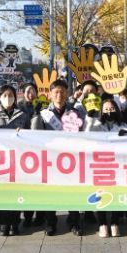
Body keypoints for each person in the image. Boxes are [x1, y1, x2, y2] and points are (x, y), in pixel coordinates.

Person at [31, 79, 83, 236]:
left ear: (67, 93)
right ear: (50, 94)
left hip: (71, 159)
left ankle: (74, 221)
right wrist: (35, 115)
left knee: (72, 190)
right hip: (50, 159)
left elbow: (81, 135)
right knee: (50, 191)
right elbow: (35, 136)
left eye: (62, 92)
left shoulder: (74, 112)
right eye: (56, 92)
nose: (59, 95)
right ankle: (50, 222)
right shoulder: (44, 113)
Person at [0, 84, 31, 236]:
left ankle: (14, 222)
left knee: (15, 191)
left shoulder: (23, 115)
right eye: (4, 96)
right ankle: (3, 223)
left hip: (17, 159)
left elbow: (30, 135)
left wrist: (23, 133)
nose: (8, 98)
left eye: (11, 95)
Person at [89, 99, 127, 237]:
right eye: (106, 109)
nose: (109, 112)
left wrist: (125, 136)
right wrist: (90, 118)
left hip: (117, 164)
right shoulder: (96, 124)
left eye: (111, 109)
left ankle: (114, 223)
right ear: (101, 111)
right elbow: (87, 136)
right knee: (100, 193)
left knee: (116, 192)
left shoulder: (122, 125)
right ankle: (102, 224)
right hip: (99, 164)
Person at [16, 82, 42, 228]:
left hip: (39, 150)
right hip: (23, 151)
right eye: (27, 91)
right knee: (27, 186)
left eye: (33, 91)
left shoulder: (42, 105)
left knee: (39, 185)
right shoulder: (18, 107)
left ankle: (40, 215)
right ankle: (27, 216)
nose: (30, 93)